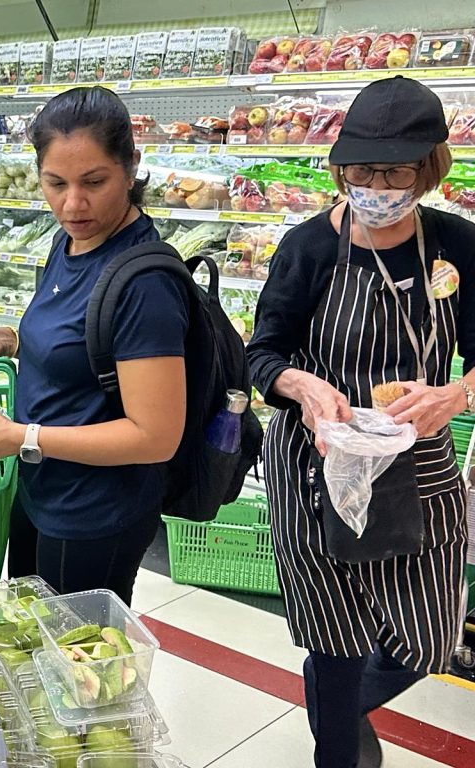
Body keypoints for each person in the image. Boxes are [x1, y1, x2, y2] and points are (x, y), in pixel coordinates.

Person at [246, 76, 475, 768]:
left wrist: (455, 395)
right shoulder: (308, 248)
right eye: (361, 169)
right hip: (318, 468)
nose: (376, 184)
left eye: (395, 170)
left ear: (429, 169)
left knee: (431, 637)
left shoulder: (458, 246)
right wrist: (299, 384)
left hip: (419, 465)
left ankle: (338, 706)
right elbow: (261, 354)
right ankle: (337, 738)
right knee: (335, 641)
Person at [0, 87, 189, 603]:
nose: (73, 204)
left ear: (131, 167)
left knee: (77, 670)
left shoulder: (145, 282)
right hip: (42, 491)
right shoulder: (70, 240)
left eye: (94, 182)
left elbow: (154, 436)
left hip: (95, 513)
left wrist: (21, 438)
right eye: (55, 183)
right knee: (27, 648)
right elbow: (79, 340)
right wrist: (11, 341)